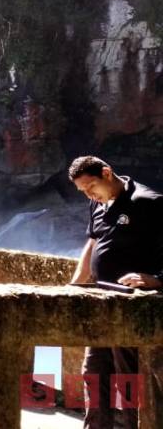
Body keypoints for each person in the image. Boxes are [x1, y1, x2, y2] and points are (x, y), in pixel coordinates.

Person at [68, 156, 163, 429]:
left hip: (130, 308)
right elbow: (93, 243)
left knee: (128, 382)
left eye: (91, 186)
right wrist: (75, 285)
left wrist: (157, 279)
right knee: (94, 376)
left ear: (107, 173)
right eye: (83, 191)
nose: (89, 194)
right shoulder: (96, 203)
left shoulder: (148, 202)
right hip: (100, 303)